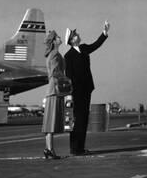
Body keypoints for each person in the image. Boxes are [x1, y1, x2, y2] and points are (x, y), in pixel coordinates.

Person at [65, 21, 110, 156]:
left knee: (84, 119)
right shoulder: (68, 56)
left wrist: (104, 33)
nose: (78, 35)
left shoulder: (84, 48)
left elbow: (96, 45)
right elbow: (69, 76)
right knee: (76, 120)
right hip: (76, 92)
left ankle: (80, 148)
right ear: (72, 40)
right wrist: (70, 93)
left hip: (86, 89)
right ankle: (74, 148)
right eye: (75, 34)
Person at [42, 30, 67, 159]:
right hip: (55, 90)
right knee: (51, 121)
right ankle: (50, 150)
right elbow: (56, 73)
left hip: (52, 90)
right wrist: (67, 83)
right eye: (58, 37)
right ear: (54, 41)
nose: (60, 37)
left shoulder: (52, 54)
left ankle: (49, 149)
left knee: (49, 121)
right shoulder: (56, 54)